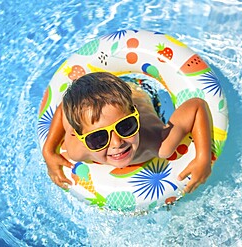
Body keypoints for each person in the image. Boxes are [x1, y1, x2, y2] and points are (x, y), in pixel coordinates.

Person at [42, 72, 212, 193]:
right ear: (78, 136)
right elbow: (65, 107)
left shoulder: (157, 144)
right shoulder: (76, 150)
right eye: (98, 137)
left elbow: (196, 106)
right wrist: (49, 151)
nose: (117, 143)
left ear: (135, 115)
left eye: (126, 126)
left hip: (139, 88)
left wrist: (203, 157)